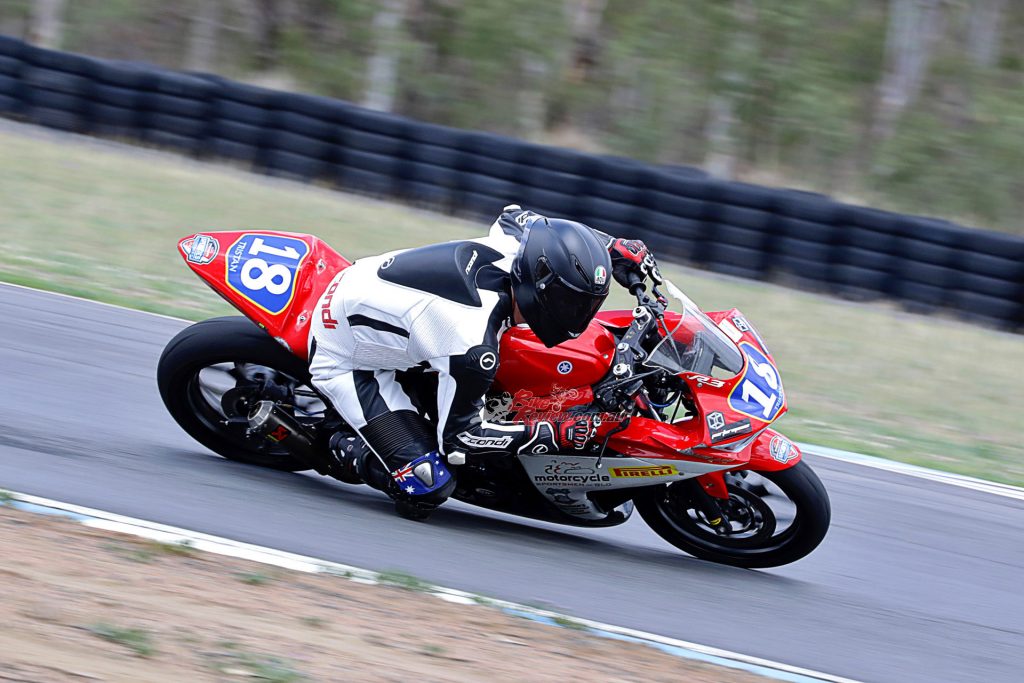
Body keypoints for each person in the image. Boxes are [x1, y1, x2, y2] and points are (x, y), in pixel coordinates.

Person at [308, 204, 662, 517]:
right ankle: (337, 444)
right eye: (572, 303)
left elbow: (518, 215)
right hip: (350, 360)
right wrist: (556, 431)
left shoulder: (520, 242)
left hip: (376, 297)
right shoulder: (472, 340)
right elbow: (463, 439)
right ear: (541, 290)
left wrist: (612, 246)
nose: (581, 315)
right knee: (428, 484)